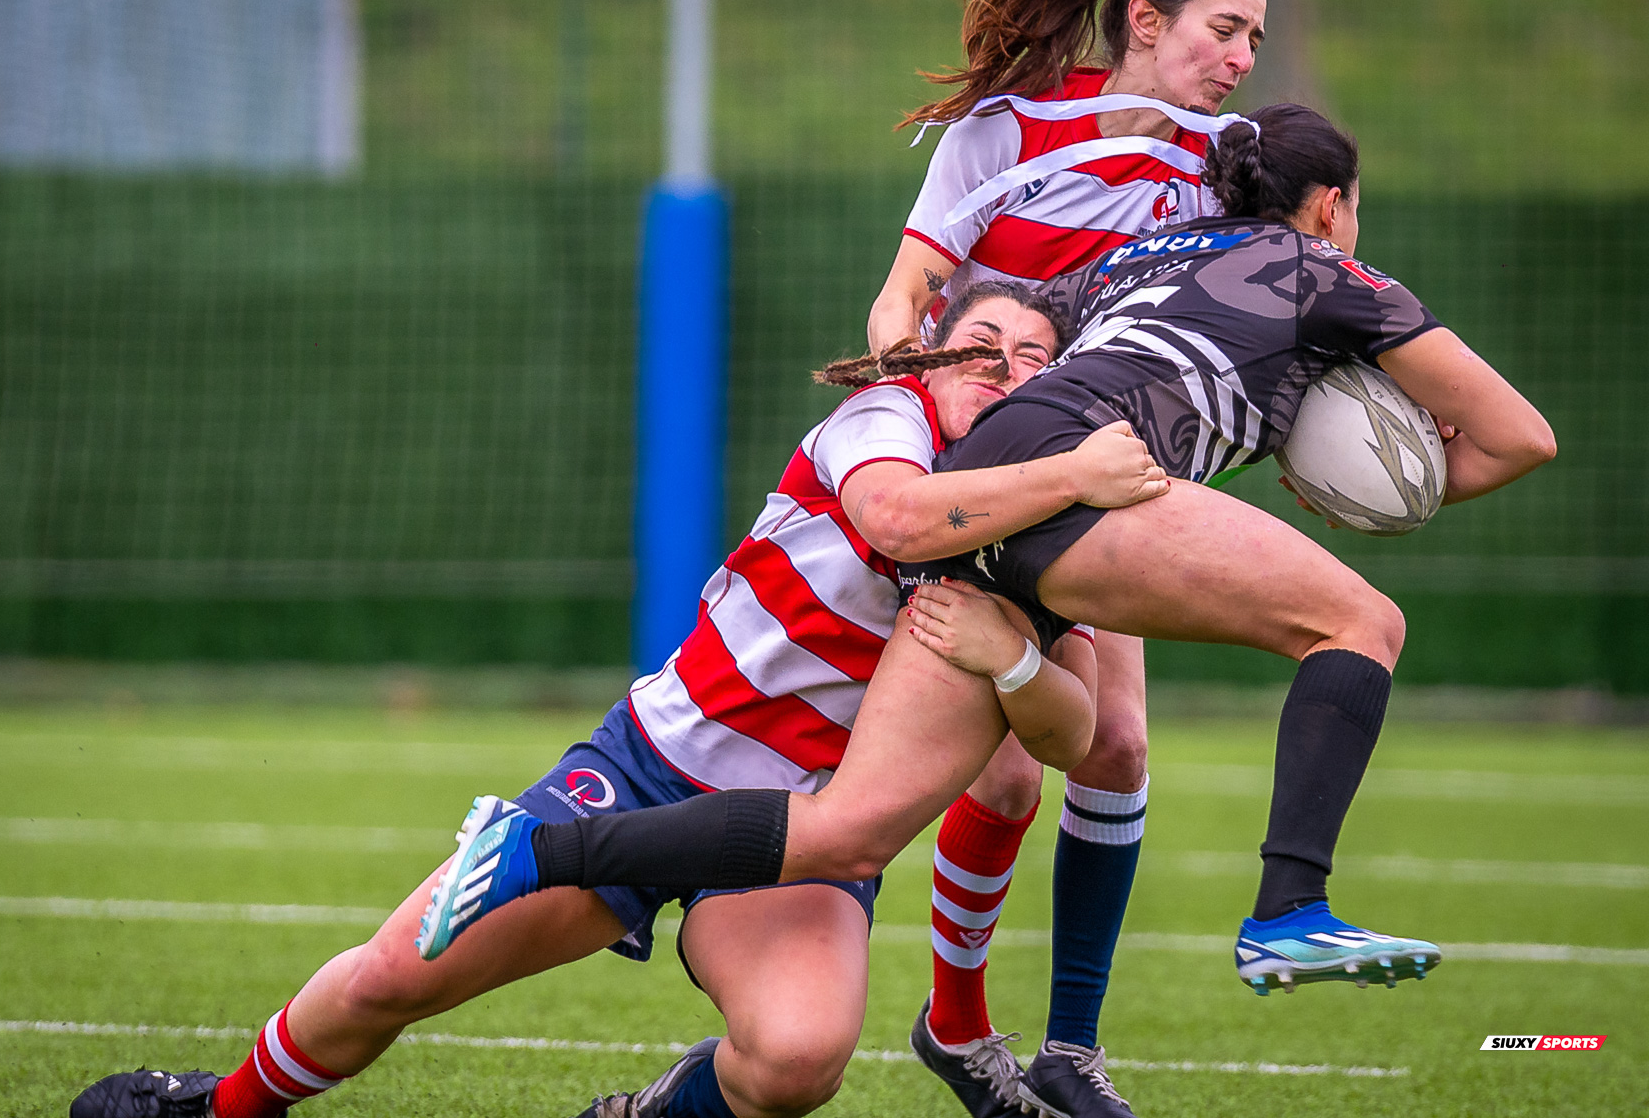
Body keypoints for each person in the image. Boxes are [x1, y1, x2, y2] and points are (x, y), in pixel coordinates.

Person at [422, 104, 1558, 1118]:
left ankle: (532, 848)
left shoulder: (1143, 255)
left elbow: (1018, 339)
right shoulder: (1335, 277)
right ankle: (1288, 908)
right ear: (1328, 205)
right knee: (1360, 623)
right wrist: (1381, 491)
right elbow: (1519, 439)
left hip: (991, 489)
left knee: (851, 828)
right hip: (1074, 485)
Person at [66, 285, 1170, 1118]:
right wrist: (1077, 474)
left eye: (1036, 359)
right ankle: (216, 1105)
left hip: (803, 841)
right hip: (653, 772)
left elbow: (1078, 733)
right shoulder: (885, 419)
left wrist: (1013, 659)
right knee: (394, 975)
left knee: (796, 1060)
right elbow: (896, 520)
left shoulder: (1043, 539)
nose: (1005, 366)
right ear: (928, 352)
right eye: (982, 344)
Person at [867, 0, 1265, 1114]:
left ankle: (1071, 1050)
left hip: (1103, 479)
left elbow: (1268, 297)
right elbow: (907, 293)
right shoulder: (1006, 131)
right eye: (1224, 28)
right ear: (1147, 21)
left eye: (1255, 36)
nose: (1244, 56)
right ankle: (956, 1019)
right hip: (986, 483)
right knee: (998, 783)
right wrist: (915, 402)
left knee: (1118, 747)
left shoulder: (1226, 159)